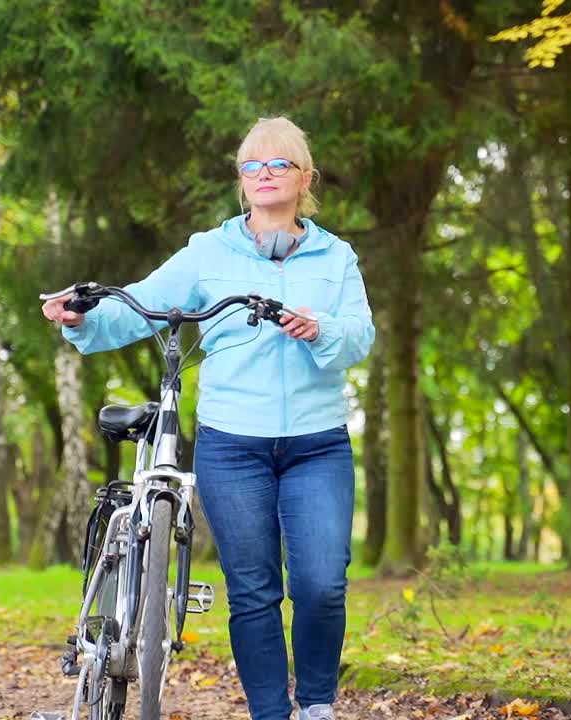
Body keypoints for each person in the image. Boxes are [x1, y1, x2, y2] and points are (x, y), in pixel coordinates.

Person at [41, 116, 375, 720]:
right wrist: (82, 320)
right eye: (252, 165)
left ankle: (319, 706)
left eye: (279, 164)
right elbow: (143, 304)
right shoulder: (207, 252)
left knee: (322, 585)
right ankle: (271, 715)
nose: (265, 174)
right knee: (252, 592)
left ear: (305, 178)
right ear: (241, 181)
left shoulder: (336, 256)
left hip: (316, 444)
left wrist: (321, 328)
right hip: (233, 445)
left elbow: (360, 338)